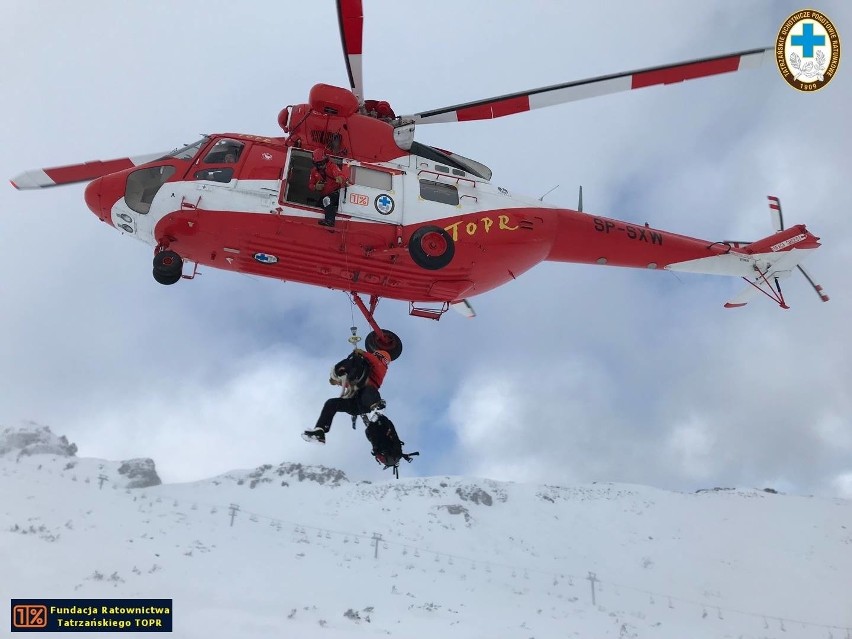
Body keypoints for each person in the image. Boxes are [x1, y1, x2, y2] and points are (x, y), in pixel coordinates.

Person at [303, 348, 391, 444]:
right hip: (355, 403)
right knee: (331, 403)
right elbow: (352, 382)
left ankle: (376, 408)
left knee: (368, 390)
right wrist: (338, 379)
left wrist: (363, 353)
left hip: (367, 400)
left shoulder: (381, 367)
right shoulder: (364, 369)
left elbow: (374, 361)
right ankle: (320, 431)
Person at [308, 148, 350, 227]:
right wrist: (315, 187)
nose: (320, 166)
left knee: (327, 200)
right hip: (324, 195)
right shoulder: (314, 172)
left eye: (322, 163)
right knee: (317, 206)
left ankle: (330, 221)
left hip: (335, 194)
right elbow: (310, 185)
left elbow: (339, 174)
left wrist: (340, 178)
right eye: (318, 164)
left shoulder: (332, 166)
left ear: (326, 160)